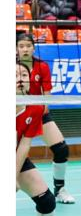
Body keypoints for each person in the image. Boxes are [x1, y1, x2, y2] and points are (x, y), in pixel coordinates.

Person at [17, 30, 73, 204]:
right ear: (16, 49)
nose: (25, 49)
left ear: (34, 48)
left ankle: (60, 189)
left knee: (61, 149)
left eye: (28, 46)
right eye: (21, 46)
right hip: (16, 114)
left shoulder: (42, 66)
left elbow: (46, 97)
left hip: (38, 112)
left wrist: (36, 114)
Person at [16, 60, 56, 216]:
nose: (20, 78)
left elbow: (24, 144)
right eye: (14, 75)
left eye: (24, 75)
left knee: (47, 201)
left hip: (15, 155)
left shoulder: (35, 108)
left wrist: (13, 175)